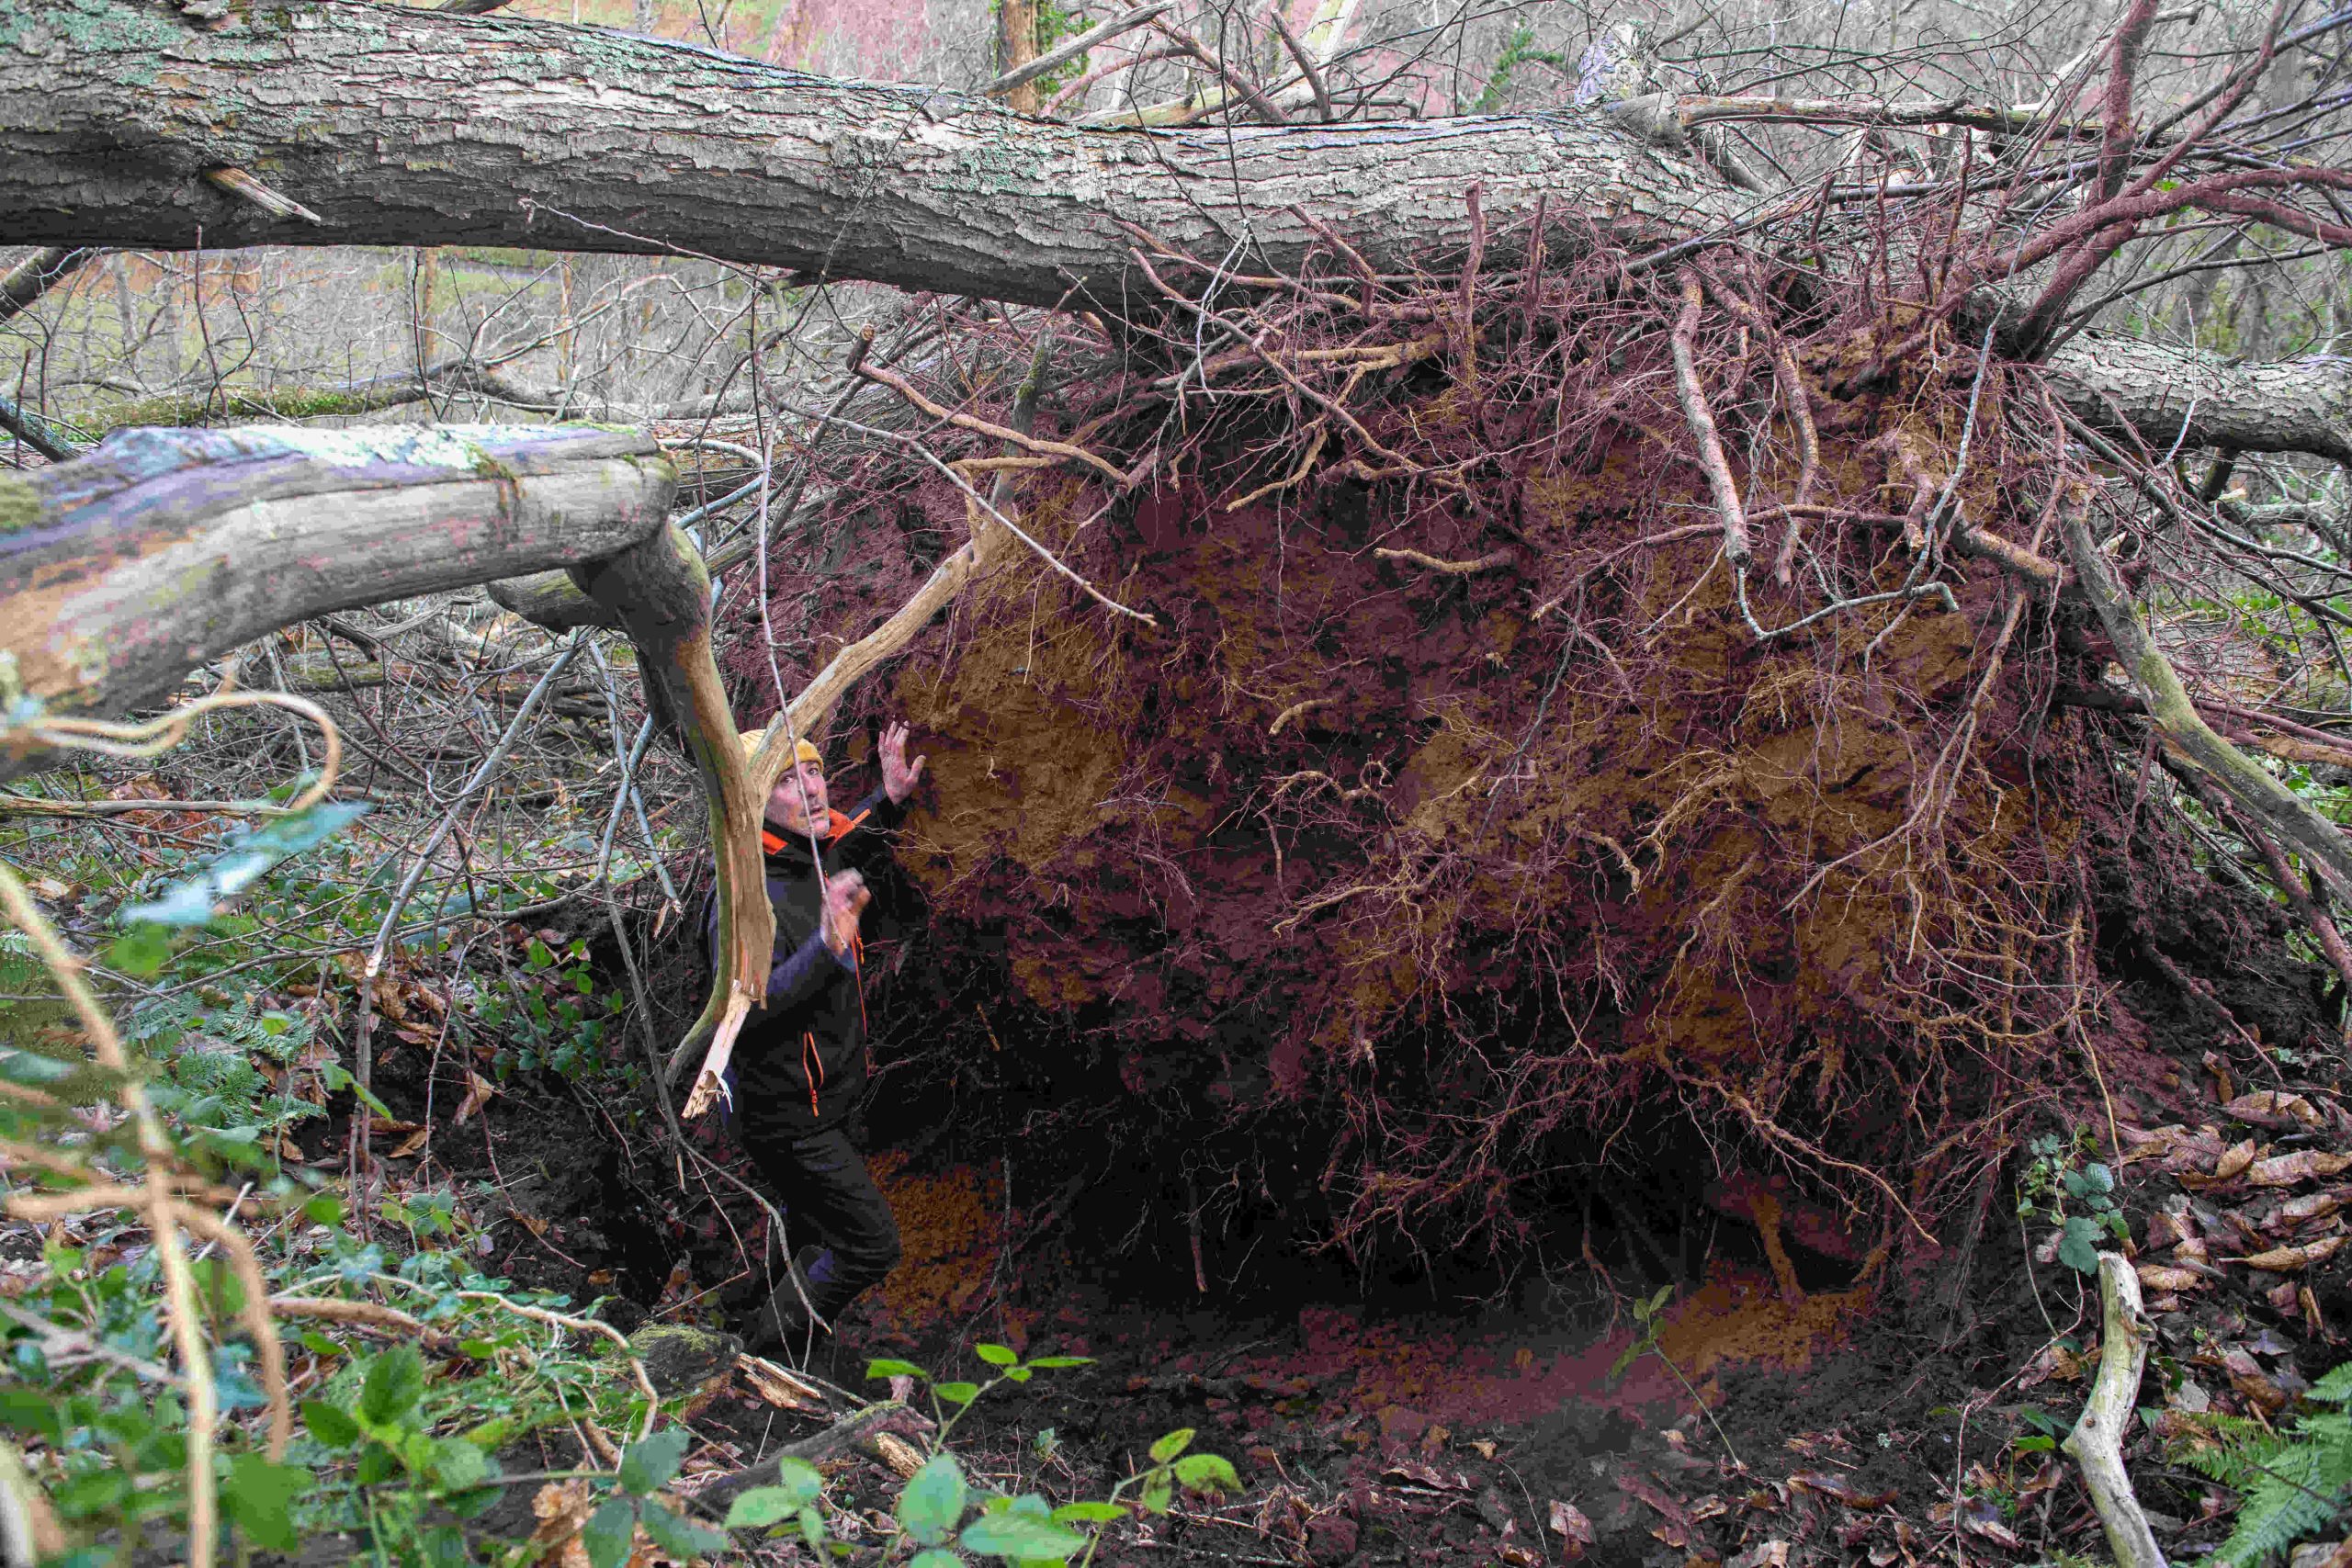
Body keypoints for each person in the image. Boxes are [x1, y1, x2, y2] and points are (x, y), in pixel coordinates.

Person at [712, 721, 927, 1354]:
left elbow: (848, 832)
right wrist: (828, 945)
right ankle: (763, 1354)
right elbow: (742, 1015)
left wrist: (887, 797)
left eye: (811, 770)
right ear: (753, 800)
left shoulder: (809, 845)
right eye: (785, 779)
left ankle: (744, 1314)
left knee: (809, 1225)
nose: (810, 789)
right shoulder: (745, 895)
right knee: (869, 1243)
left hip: (825, 1100)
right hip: (782, 1115)